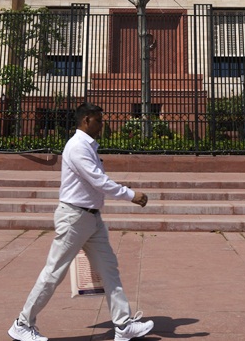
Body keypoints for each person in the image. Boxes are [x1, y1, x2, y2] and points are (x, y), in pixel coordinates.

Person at [9, 103, 155, 341]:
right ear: (86, 120)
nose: (102, 124)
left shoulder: (88, 146)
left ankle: (123, 325)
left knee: (109, 269)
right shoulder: (77, 147)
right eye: (99, 120)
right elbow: (98, 181)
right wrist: (131, 194)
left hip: (91, 218)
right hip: (74, 218)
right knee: (53, 272)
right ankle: (22, 324)